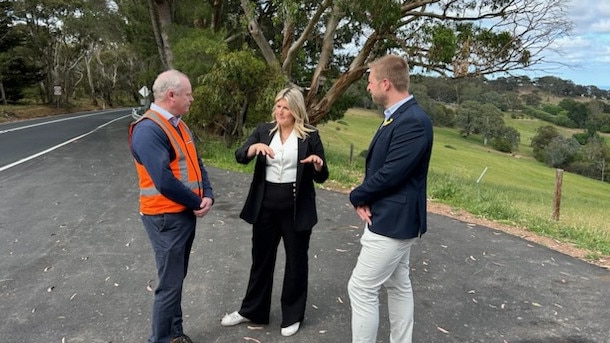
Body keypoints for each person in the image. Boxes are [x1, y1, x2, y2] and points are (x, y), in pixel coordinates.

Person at [220, 87, 329, 337]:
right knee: (261, 260)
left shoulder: (310, 135)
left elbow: (323, 176)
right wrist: (253, 148)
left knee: (296, 263)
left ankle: (292, 316)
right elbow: (240, 156)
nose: (280, 111)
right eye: (278, 106)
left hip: (295, 209)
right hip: (265, 208)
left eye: (286, 107)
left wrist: (318, 165)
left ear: (296, 110)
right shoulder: (263, 131)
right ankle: (253, 310)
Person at [347, 55, 434, 343]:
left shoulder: (413, 122)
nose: (368, 88)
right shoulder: (397, 116)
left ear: (386, 83)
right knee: (398, 284)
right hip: (391, 217)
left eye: (371, 82)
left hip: (392, 222)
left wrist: (357, 195)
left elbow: (391, 173)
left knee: (361, 288)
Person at [128, 69, 214, 343]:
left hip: (182, 214)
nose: (192, 99)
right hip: (164, 218)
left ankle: (175, 334)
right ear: (171, 95)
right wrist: (196, 201)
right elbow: (163, 180)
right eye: (188, 94)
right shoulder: (148, 130)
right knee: (169, 285)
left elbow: (196, 163)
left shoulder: (179, 124)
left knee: (175, 281)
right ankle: (162, 339)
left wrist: (208, 193)